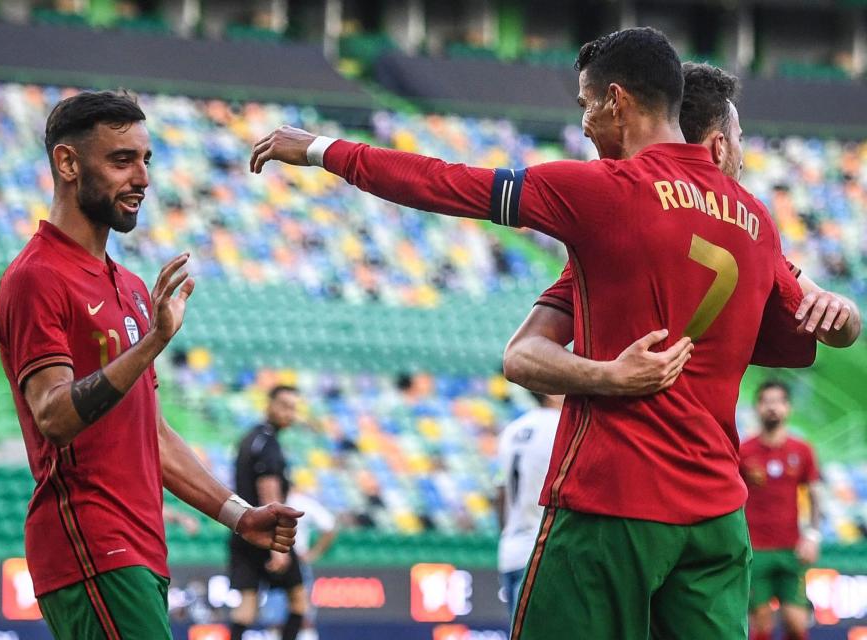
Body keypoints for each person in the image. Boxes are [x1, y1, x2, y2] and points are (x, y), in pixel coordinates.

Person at [249, 27, 815, 639]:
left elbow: (446, 183)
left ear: (616, 101)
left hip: (615, 500)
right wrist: (837, 311)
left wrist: (319, 149)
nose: (585, 126)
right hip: (718, 514)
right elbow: (798, 343)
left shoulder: (607, 193)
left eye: (585, 107)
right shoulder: (755, 218)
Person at [0, 90, 301, 640]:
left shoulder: (132, 288)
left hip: (141, 549)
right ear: (67, 164)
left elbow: (151, 435)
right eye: (121, 160)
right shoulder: (35, 277)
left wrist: (238, 514)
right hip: (89, 543)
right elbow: (54, 416)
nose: (142, 177)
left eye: (146, 160)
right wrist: (152, 342)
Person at [504, 63, 861, 401]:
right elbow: (837, 329)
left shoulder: (744, 230)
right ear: (720, 148)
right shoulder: (750, 226)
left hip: (667, 454)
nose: (742, 155)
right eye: (739, 138)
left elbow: (522, 352)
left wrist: (840, 310)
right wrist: (610, 376)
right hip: (690, 457)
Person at [740, 381, 821, 640]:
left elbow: (815, 494)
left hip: (791, 549)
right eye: (766, 401)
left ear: (788, 408)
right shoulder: (743, 451)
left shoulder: (802, 450)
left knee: (796, 624)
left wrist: (812, 536)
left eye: (778, 401)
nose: (772, 407)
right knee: (761, 625)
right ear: (757, 408)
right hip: (755, 550)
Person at [230, 385, 308, 640]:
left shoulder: (249, 439)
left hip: (241, 529)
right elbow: (269, 493)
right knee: (298, 600)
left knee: (247, 607)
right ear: (269, 405)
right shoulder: (268, 443)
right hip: (267, 532)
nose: (289, 413)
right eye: (284, 406)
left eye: (293, 408)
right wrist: (278, 545)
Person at [496, 391, 562, 621]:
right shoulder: (561, 428)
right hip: (545, 553)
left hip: (511, 551)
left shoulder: (512, 430)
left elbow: (501, 494)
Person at [261, 487, 339, 640]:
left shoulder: (296, 502)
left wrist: (313, 553)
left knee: (299, 615)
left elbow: (329, 526)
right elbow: (329, 525)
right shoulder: (294, 502)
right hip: (278, 561)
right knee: (284, 617)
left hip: (287, 560)